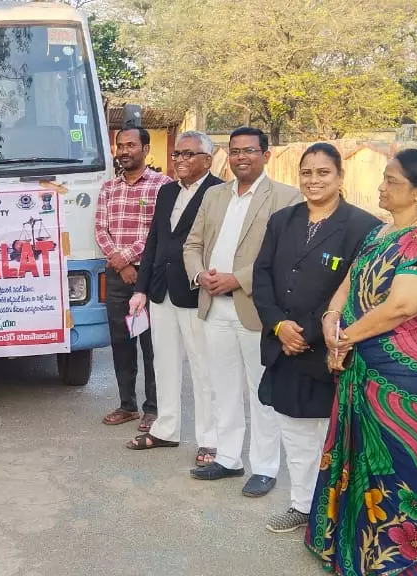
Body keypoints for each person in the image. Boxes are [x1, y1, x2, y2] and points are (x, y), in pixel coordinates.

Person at [308, 149, 417, 574]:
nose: (382, 187)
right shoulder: (378, 233)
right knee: (357, 462)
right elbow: (347, 283)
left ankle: (397, 563)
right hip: (360, 369)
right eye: (383, 179)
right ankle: (354, 551)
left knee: (400, 469)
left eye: (392, 181)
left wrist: (345, 337)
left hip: (404, 383)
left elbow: (403, 304)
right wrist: (331, 318)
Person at [251, 143, 381, 533]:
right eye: (307, 173)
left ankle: (338, 511)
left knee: (334, 434)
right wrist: (278, 326)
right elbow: (262, 276)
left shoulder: (363, 227)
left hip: (330, 351)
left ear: (340, 177)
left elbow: (353, 289)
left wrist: (306, 331)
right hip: (283, 346)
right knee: (294, 430)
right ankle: (302, 505)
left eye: (323, 173)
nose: (313, 180)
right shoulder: (282, 220)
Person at [182, 126, 300, 496]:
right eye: (234, 151)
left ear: (266, 155)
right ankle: (229, 458)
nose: (241, 157)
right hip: (213, 306)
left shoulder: (286, 197)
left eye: (249, 150)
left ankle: (264, 467)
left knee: (261, 390)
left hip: (255, 308)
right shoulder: (215, 195)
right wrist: (200, 274)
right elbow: (192, 244)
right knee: (222, 386)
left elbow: (284, 256)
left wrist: (238, 280)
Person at [124, 131, 224, 462]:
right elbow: (155, 242)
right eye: (177, 154)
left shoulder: (219, 192)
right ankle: (165, 429)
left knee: (203, 367)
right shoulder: (166, 192)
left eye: (188, 155)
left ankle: (210, 439)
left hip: (197, 291)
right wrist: (140, 289)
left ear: (207, 160)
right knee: (163, 362)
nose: (179, 160)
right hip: (160, 290)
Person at [96, 127, 172, 431]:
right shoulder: (108, 188)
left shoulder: (162, 186)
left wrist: (129, 258)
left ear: (146, 148)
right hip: (117, 277)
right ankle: (127, 405)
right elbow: (101, 229)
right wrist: (120, 261)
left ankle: (153, 408)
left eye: (131, 145)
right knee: (120, 342)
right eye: (120, 146)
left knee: (152, 344)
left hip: (149, 275)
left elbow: (160, 232)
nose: (124, 151)